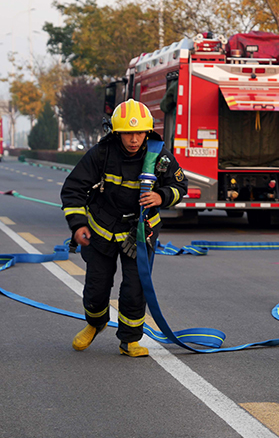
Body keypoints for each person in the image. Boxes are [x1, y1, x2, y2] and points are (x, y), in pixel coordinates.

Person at [61, 99, 187, 358]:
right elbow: (73, 189)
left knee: (134, 289)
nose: (133, 139)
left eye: (139, 132)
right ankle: (96, 324)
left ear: (148, 132)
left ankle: (129, 340)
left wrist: (161, 197)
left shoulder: (158, 156)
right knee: (96, 288)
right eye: (128, 133)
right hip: (102, 229)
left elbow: (180, 186)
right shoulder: (101, 153)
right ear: (116, 133)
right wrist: (78, 225)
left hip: (139, 232)